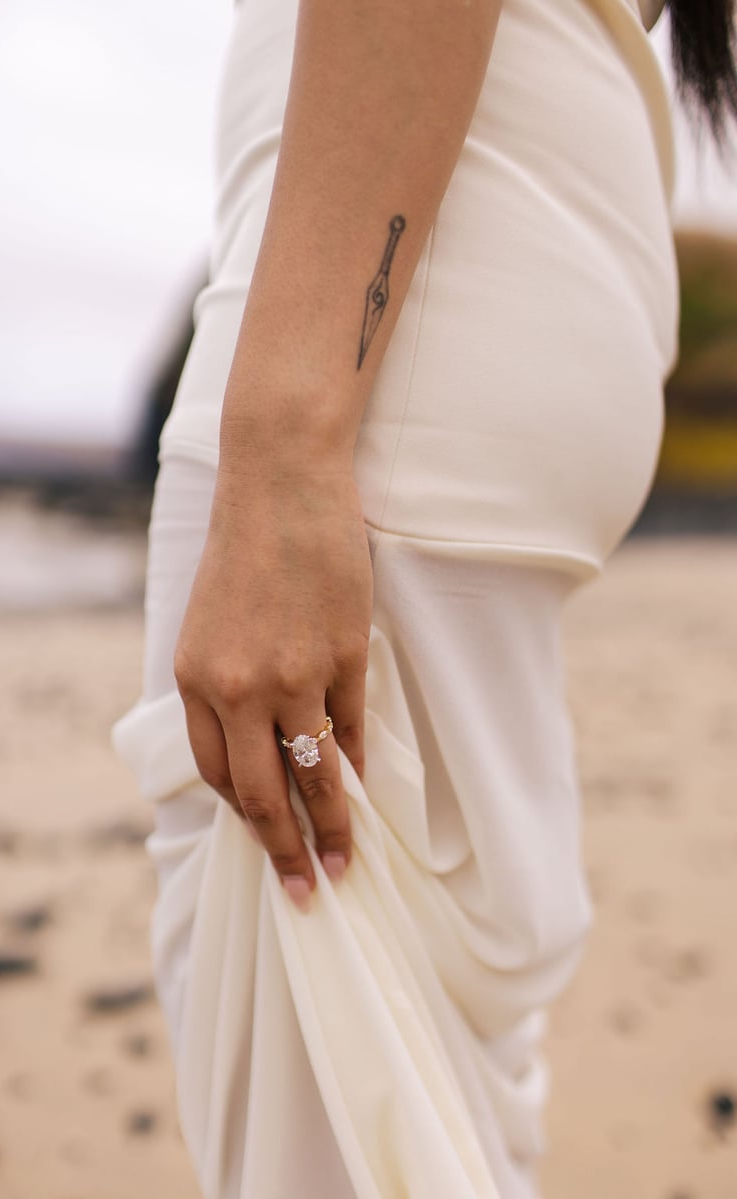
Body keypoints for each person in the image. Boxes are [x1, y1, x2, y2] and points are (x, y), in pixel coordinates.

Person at [113, 0, 736, 1195]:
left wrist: (286, 436)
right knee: (421, 1057)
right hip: (514, 267)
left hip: (392, 341)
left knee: (328, 1077)